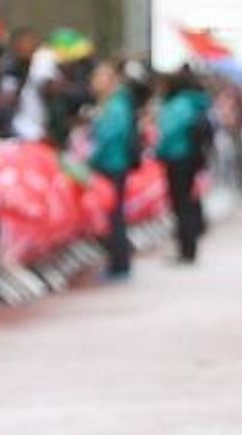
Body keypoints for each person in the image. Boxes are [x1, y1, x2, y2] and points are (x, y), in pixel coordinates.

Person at [87, 61, 140, 278]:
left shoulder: (116, 106)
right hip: (113, 163)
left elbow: (109, 136)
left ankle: (119, 262)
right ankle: (119, 261)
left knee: (114, 215)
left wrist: (91, 159)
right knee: (114, 213)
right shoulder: (115, 104)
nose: (95, 82)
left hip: (112, 165)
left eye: (100, 77)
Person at [158, 67, 213, 263]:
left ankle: (186, 248)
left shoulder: (177, 105)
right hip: (191, 156)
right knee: (188, 201)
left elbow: (169, 132)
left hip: (178, 157)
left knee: (181, 204)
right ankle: (189, 245)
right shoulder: (195, 102)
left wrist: (159, 151)